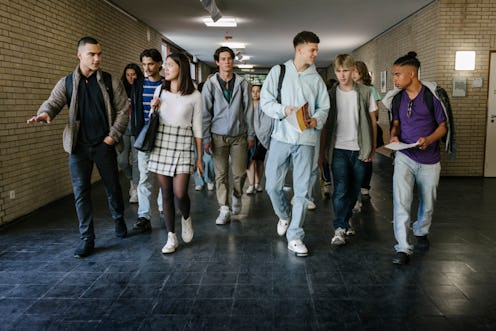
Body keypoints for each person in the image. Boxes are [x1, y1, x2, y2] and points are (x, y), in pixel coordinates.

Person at [27, 37, 129, 258]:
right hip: (78, 148)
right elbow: (53, 102)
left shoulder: (110, 81)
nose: (97, 58)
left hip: (104, 144)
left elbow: (124, 109)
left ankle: (119, 219)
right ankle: (87, 239)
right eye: (92, 54)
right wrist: (45, 113)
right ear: (79, 55)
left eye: (99, 54)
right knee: (81, 193)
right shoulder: (67, 83)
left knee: (113, 188)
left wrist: (112, 136)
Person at [260, 31, 330, 257]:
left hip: (307, 140)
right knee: (272, 185)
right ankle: (284, 216)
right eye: (312, 49)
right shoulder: (278, 71)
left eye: (317, 49)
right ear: (299, 50)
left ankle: (296, 236)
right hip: (281, 137)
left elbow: (324, 108)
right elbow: (266, 101)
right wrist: (284, 110)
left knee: (302, 191)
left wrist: (315, 120)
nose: (316, 53)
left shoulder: (316, 78)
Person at [382, 52, 447, 265]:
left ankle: (421, 230)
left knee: (428, 203)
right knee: (401, 201)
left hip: (429, 159)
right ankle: (402, 248)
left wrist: (428, 139)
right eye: (393, 75)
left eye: (398, 74)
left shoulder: (431, 96)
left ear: (412, 73)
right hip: (405, 155)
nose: (395, 78)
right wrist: (393, 134)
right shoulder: (398, 98)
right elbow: (397, 123)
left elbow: (443, 127)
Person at [148, 53, 203, 254]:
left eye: (170, 65)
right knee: (166, 193)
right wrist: (153, 109)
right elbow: (152, 119)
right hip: (162, 142)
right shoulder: (160, 90)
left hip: (184, 143)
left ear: (181, 67)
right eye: (166, 66)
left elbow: (197, 128)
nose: (166, 69)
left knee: (180, 193)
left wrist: (199, 158)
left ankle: (186, 218)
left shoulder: (195, 95)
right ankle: (171, 236)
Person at [322, 54, 377, 246]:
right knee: (341, 190)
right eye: (338, 71)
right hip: (338, 149)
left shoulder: (365, 92)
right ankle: (339, 228)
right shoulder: (330, 94)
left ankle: (345, 223)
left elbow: (372, 121)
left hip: (360, 148)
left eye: (346, 70)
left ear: (353, 70)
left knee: (354, 191)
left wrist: (373, 148)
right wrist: (322, 152)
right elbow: (326, 125)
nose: (342, 75)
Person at [202, 46, 254, 224]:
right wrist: (206, 138)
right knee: (221, 174)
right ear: (217, 62)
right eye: (223, 59)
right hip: (217, 136)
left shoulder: (242, 83)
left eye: (229, 58)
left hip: (239, 135)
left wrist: (250, 135)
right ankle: (223, 208)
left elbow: (248, 111)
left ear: (233, 61)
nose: (227, 62)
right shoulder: (210, 84)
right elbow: (205, 113)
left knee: (239, 172)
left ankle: (237, 195)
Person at [129, 49, 164, 232]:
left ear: (159, 64)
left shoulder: (167, 85)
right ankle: (144, 216)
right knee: (144, 177)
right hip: (144, 137)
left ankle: (164, 209)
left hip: (164, 137)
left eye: (150, 64)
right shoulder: (138, 85)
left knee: (163, 177)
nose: (147, 68)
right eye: (144, 64)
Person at [351, 60, 382, 212]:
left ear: (362, 72)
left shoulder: (370, 89)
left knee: (367, 158)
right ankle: (356, 189)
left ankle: (365, 186)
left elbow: (375, 112)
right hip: (353, 129)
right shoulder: (350, 89)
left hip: (368, 128)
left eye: (355, 71)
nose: (352, 74)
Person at [118, 63, 144, 203]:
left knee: (136, 159)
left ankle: (135, 189)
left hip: (137, 128)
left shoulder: (141, 88)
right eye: (128, 75)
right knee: (121, 160)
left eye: (133, 74)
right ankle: (131, 180)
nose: (130, 77)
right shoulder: (121, 89)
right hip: (123, 128)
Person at [246, 84, 267, 194]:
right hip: (250, 136)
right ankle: (251, 184)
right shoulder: (247, 105)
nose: (255, 93)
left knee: (260, 161)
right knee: (250, 160)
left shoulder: (265, 105)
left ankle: (258, 183)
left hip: (261, 136)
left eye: (257, 91)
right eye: (253, 91)